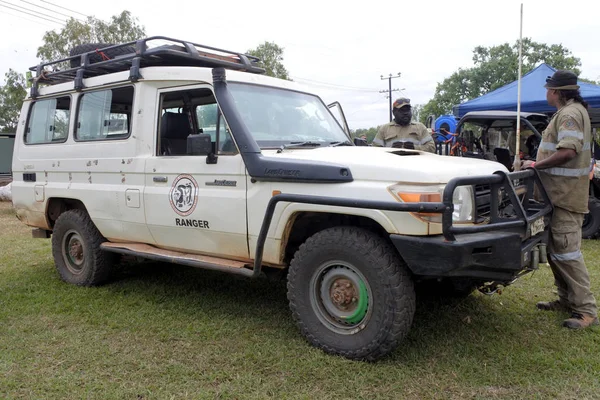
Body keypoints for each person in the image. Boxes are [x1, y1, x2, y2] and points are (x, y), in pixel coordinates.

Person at [522, 70, 598, 329]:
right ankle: (566, 299)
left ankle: (586, 310)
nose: (546, 93)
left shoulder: (569, 114)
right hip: (558, 196)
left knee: (568, 254)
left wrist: (536, 165)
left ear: (555, 92)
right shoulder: (572, 111)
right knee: (557, 252)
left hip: (565, 197)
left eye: (548, 89)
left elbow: (567, 151)